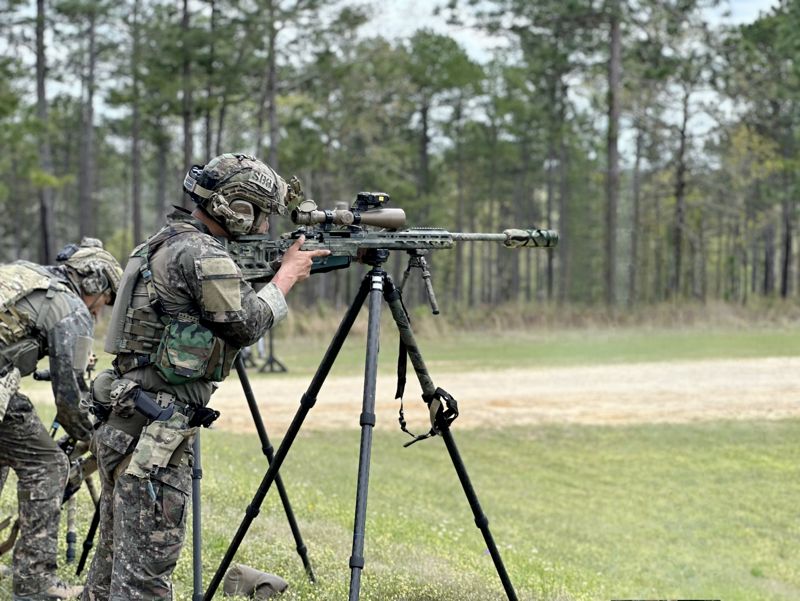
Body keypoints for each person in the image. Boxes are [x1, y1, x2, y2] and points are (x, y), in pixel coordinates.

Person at [82, 153, 328, 601]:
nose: (264, 229)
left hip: (127, 416)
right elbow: (247, 324)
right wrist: (287, 275)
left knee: (114, 563)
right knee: (144, 581)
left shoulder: (165, 241)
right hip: (155, 432)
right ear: (235, 208)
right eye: (261, 217)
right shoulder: (201, 253)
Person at [0, 238, 123, 601]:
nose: (99, 314)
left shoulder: (28, 274)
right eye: (104, 303)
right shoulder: (71, 308)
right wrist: (96, 438)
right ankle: (34, 583)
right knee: (47, 464)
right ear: (95, 285)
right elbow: (70, 401)